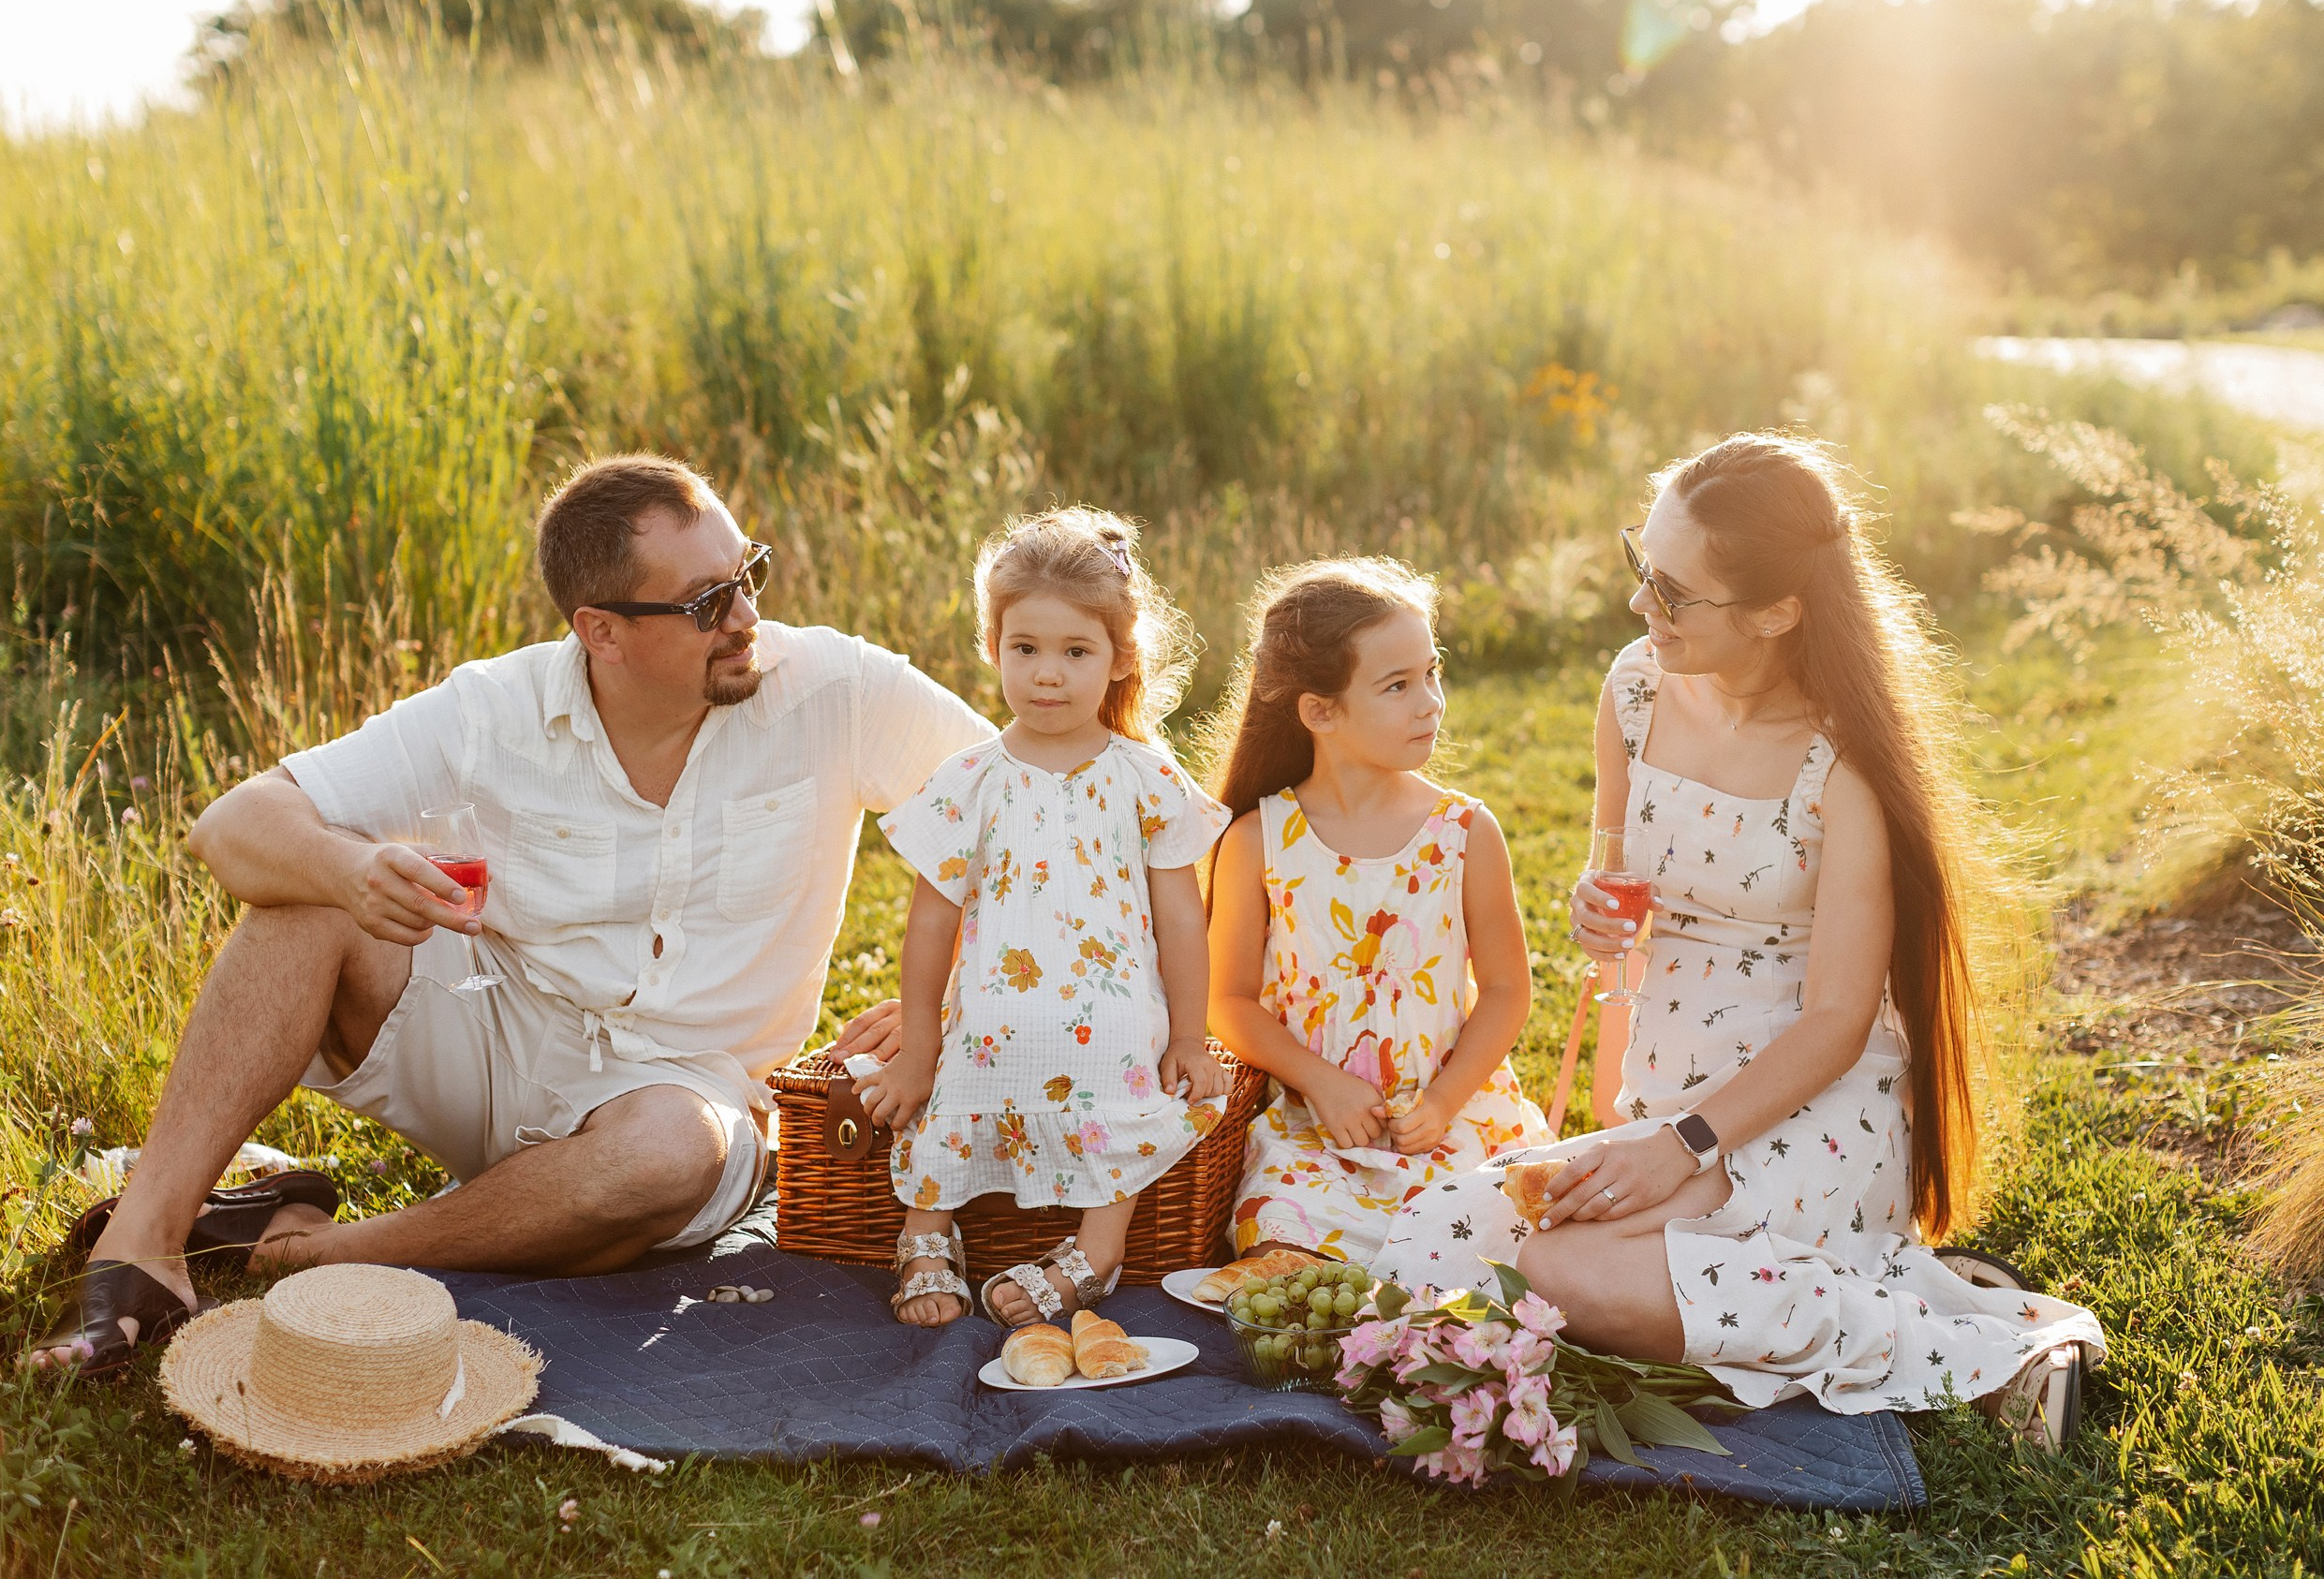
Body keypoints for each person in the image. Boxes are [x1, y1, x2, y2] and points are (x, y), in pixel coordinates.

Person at [32, 454, 991, 1377]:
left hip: (682, 1096)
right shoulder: (493, 708)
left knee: (669, 1152)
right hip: (499, 1039)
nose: (747, 617)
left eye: (750, 575)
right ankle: (145, 1243)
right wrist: (351, 865)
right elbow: (230, 826)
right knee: (305, 902)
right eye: (707, 603)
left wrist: (936, 1005)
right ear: (600, 631)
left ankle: (315, 1251)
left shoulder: (836, 689)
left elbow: (1026, 816)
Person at [1375, 434, 2106, 1447]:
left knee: (1567, 1271)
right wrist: (1596, 906)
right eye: (1644, 568)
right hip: (1671, 1086)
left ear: (1775, 611)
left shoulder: (1840, 763)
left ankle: (1993, 1360)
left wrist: (1683, 1147)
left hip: (1802, 1102)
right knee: (1430, 1239)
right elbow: (1615, 871)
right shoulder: (1634, 687)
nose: (1641, 607)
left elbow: (1839, 1022)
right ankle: (1863, 1280)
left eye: (1673, 592)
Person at [856, 510, 1234, 1328]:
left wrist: (1189, 1036)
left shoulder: (1146, 779)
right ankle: (929, 1226)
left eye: (1075, 652)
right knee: (961, 1060)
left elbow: (1180, 917)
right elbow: (930, 923)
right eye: (1024, 648)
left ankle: (1097, 1251)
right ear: (993, 645)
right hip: (996, 998)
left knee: (1128, 1066)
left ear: (1120, 657)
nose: (1047, 675)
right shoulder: (969, 779)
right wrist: (919, 1045)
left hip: (1117, 1005)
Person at [1204, 557, 1550, 1266]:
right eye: (1398, 685)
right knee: (1278, 1245)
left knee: (1506, 1248)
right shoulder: (1257, 839)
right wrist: (1321, 1081)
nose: (1430, 702)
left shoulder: (1465, 832)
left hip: (1452, 1120)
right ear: (1319, 710)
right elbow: (1228, 1002)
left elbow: (1510, 991)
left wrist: (1445, 1100)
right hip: (1319, 1134)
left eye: (1433, 672)